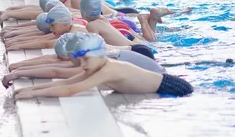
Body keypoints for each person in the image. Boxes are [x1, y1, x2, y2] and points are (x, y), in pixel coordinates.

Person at [13, 33, 193, 99]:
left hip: (173, 87)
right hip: (165, 84)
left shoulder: (108, 69)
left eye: (86, 59)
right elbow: (67, 82)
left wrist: (31, 93)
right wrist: (28, 90)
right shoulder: (100, 66)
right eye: (81, 59)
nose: (83, 65)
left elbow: (71, 90)